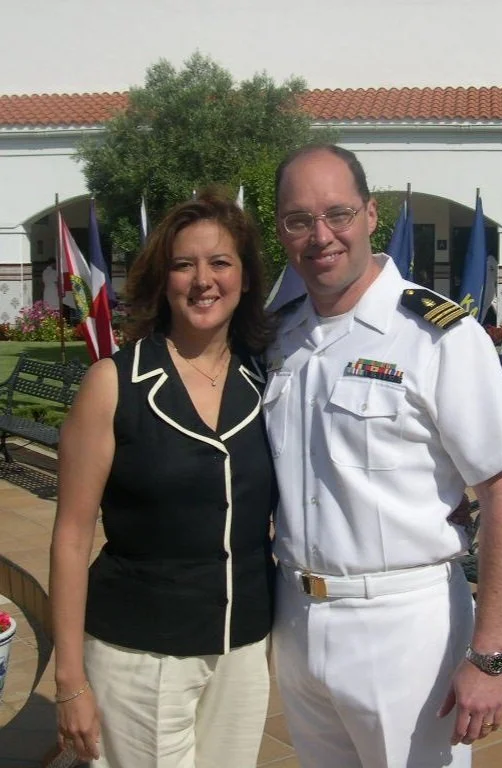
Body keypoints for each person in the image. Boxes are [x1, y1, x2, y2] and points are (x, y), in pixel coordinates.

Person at [263, 144, 502, 768]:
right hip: (297, 619)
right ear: (281, 229)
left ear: (369, 215)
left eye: (338, 213)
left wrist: (490, 653)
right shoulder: (280, 335)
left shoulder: (437, 335)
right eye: (299, 220)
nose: (320, 236)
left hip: (403, 628)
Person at [49, 191, 277, 767]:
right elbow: (72, 538)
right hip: (140, 654)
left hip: (242, 648)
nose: (203, 280)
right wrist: (70, 679)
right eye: (184, 264)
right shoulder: (113, 383)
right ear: (164, 278)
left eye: (221, 262)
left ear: (245, 277)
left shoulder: (266, 379)